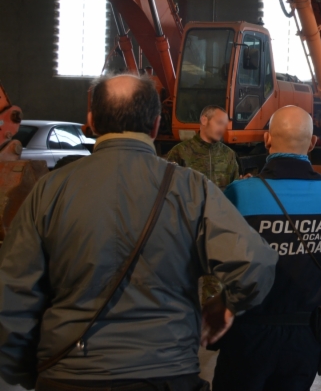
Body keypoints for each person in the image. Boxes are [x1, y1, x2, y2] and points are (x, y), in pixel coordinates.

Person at [0, 74, 277, 390]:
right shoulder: (192, 188)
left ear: (91, 121)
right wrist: (225, 304)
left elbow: (12, 293)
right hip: (166, 371)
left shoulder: (48, 191)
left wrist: (25, 371)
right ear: (157, 124)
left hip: (69, 372)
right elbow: (257, 264)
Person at [212, 106, 321, 391]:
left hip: (248, 335)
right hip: (306, 336)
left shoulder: (239, 193)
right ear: (312, 144)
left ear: (266, 139)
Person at [165, 105, 239, 189]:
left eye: (224, 125)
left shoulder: (229, 154)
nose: (222, 129)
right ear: (204, 120)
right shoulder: (179, 152)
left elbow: (234, 189)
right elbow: (168, 189)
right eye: (219, 123)